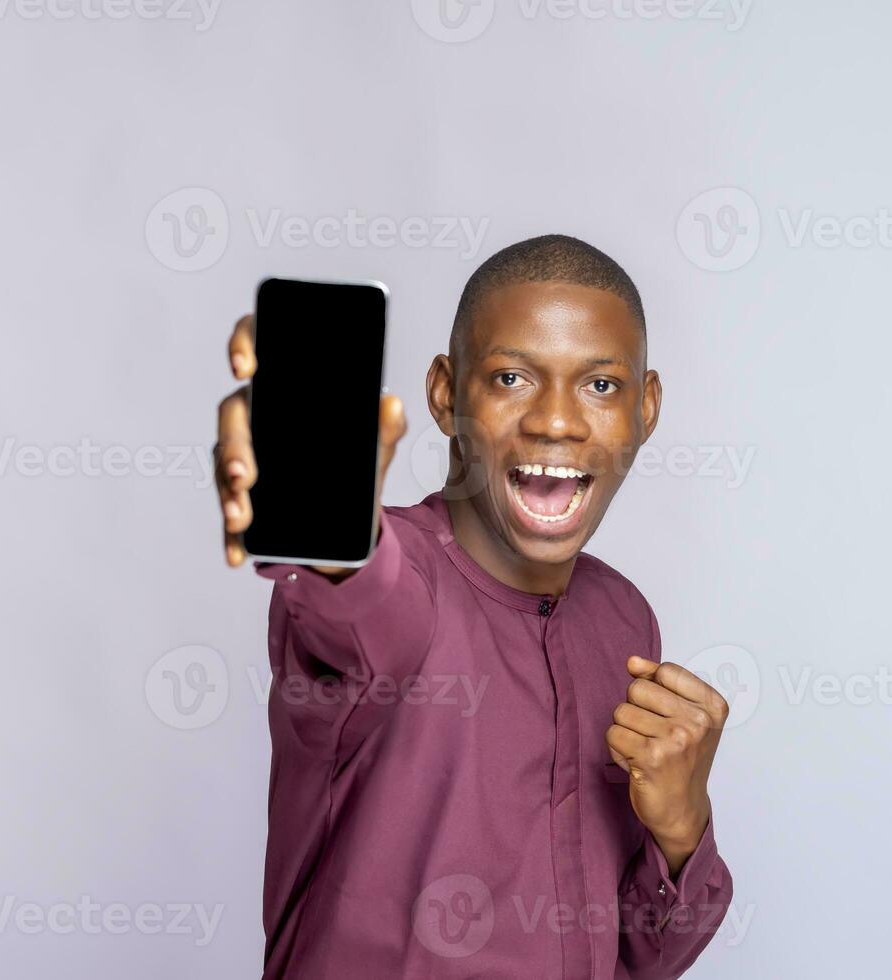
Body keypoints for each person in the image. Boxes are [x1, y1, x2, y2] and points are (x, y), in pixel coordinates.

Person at [214, 236, 734, 979]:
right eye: (512, 377)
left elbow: (640, 962)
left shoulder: (624, 621)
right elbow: (359, 605)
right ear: (445, 393)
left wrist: (681, 833)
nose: (556, 421)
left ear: (646, 408)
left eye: (600, 386)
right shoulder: (401, 578)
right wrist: (326, 515)